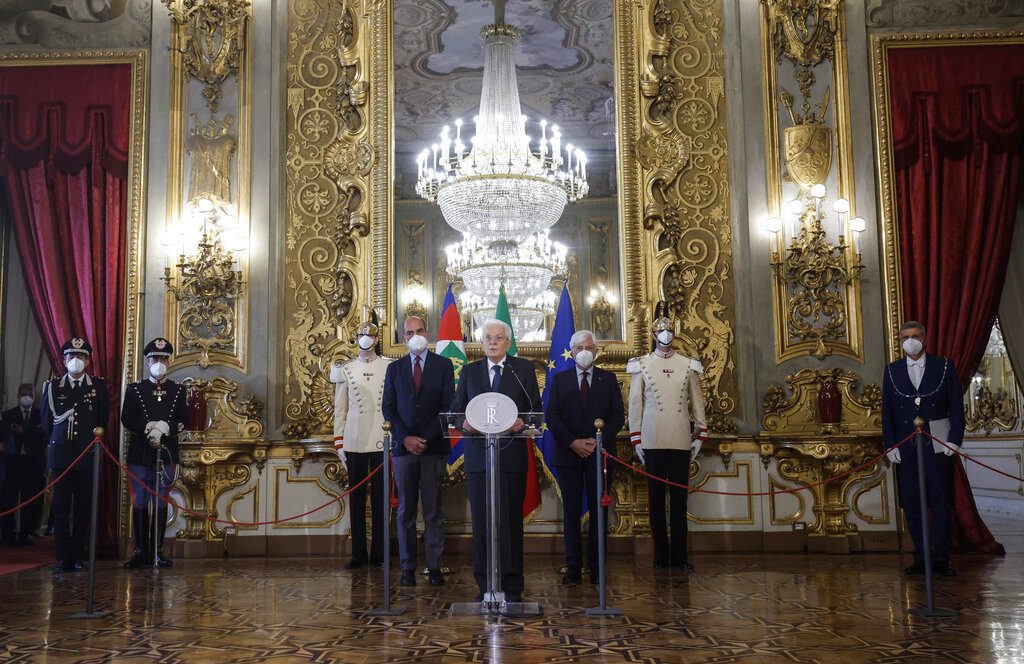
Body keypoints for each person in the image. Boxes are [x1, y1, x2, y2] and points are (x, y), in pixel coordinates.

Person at [450, 319, 542, 603]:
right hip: (480, 459)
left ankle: (512, 587)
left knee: (511, 523)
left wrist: (520, 422)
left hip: (511, 459)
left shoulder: (522, 370)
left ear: (508, 342)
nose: (492, 342)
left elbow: (535, 413)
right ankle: (485, 586)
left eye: (498, 337)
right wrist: (466, 423)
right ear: (481, 342)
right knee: (482, 523)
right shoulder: (470, 371)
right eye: (487, 337)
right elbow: (454, 414)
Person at [882, 320, 963, 577]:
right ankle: (920, 557)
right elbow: (888, 413)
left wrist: (954, 440)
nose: (910, 341)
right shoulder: (892, 370)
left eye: (915, 336)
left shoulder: (944, 366)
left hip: (938, 445)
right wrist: (890, 445)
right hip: (906, 447)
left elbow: (956, 405)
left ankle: (940, 558)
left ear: (924, 338)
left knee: (940, 502)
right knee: (913, 502)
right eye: (905, 336)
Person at [544, 330, 624, 585]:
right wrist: (573, 442)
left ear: (597, 351)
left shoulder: (608, 379)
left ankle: (597, 566)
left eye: (589, 347)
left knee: (599, 511)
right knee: (571, 512)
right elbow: (552, 416)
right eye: (579, 348)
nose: (584, 351)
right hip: (568, 454)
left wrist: (595, 442)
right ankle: (573, 566)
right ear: (572, 351)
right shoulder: (559, 379)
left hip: (599, 455)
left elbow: (617, 416)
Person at [627, 316, 707, 571]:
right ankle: (660, 557)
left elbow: (697, 403)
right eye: (661, 330)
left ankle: (680, 557)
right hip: (652, 440)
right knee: (656, 501)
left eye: (669, 329)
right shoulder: (641, 365)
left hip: (681, 439)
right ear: (653, 334)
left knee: (680, 503)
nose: (666, 334)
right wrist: (636, 439)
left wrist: (700, 436)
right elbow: (635, 405)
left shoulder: (688, 365)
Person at [382, 316, 455, 587]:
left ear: (428, 332)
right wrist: (406, 439)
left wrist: (424, 438)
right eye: (410, 332)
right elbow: (388, 408)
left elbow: (448, 407)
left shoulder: (443, 365)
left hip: (434, 448)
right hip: (403, 451)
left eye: (420, 330)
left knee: (434, 511)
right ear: (404, 338)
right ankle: (407, 569)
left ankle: (434, 567)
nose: (415, 335)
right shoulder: (395, 369)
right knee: (406, 512)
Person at [40, 337, 109, 573]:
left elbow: (102, 421)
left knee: (82, 507)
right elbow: (48, 423)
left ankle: (78, 555)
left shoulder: (98, 387)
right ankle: (62, 556)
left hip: (86, 455)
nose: (75, 361)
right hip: (61, 456)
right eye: (71, 356)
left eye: (80, 357)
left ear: (88, 361)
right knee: (59, 507)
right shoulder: (53, 387)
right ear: (64, 359)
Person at [120, 338, 188, 568]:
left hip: (166, 452)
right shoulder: (135, 389)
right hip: (141, 452)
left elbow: (183, 418)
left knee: (160, 500)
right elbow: (126, 418)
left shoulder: (178, 390)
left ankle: (158, 551)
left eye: (162, 358)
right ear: (147, 362)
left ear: (168, 361)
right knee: (140, 500)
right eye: (154, 359)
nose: (158, 362)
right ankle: (140, 550)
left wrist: (165, 427)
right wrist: (148, 427)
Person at [331, 322, 391, 570]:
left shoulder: (389, 367)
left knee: (380, 500)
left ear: (377, 339)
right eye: (363, 334)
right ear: (357, 338)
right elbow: (340, 409)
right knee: (356, 499)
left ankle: (379, 554)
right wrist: (339, 442)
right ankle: (358, 554)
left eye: (371, 334)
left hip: (381, 438)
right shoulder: (346, 369)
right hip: (354, 439)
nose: (367, 338)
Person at [1, 384, 47, 546]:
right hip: (14, 462)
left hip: (33, 463)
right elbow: (6, 433)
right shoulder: (8, 415)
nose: (27, 397)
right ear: (18, 395)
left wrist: (21, 430)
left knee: (32, 500)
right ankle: (8, 533)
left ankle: (26, 533)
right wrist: (30, 431)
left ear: (35, 397)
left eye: (30, 395)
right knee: (9, 499)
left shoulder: (41, 415)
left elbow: (43, 434)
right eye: (24, 394)